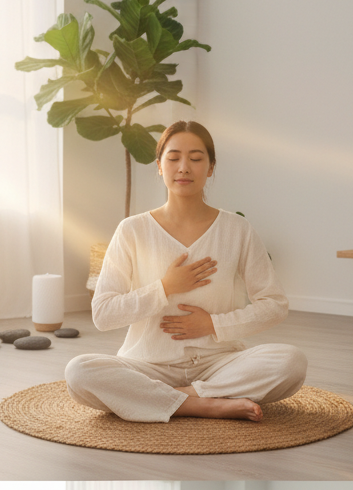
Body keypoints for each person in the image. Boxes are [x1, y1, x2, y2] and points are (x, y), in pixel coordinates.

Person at [65, 120, 307, 423]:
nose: (184, 168)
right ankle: (203, 403)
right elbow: (103, 314)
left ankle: (179, 397)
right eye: (173, 157)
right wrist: (164, 287)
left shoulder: (237, 229)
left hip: (218, 364)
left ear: (210, 168)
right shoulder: (133, 230)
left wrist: (213, 325)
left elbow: (274, 304)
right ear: (159, 166)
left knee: (291, 362)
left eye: (195, 159)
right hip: (147, 365)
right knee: (79, 371)